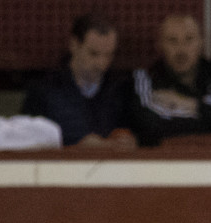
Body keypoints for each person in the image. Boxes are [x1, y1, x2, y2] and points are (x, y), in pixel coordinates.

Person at [131, 14, 211, 145]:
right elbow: (150, 127)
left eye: (189, 40)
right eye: (172, 40)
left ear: (201, 42)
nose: (181, 50)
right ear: (159, 45)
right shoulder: (145, 78)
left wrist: (193, 105)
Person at [21, 13, 135, 148]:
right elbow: (26, 140)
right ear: (74, 45)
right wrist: (76, 148)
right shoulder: (44, 89)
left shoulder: (121, 88)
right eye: (93, 54)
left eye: (108, 55)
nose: (101, 63)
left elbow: (133, 133)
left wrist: (130, 141)